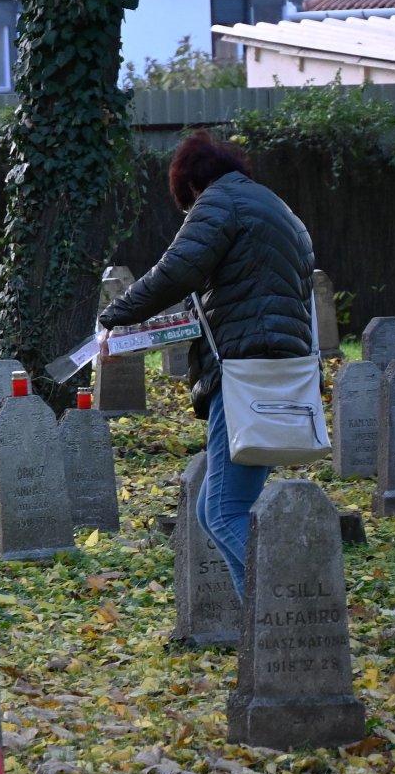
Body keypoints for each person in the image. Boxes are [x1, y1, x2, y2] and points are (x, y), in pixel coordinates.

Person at [97, 130, 315, 598]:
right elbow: (242, 295)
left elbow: (176, 270)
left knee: (222, 511)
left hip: (242, 372)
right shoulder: (279, 209)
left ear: (192, 184)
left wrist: (114, 317)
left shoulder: (219, 204)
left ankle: (297, 604)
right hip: (281, 368)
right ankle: (255, 636)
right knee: (216, 509)